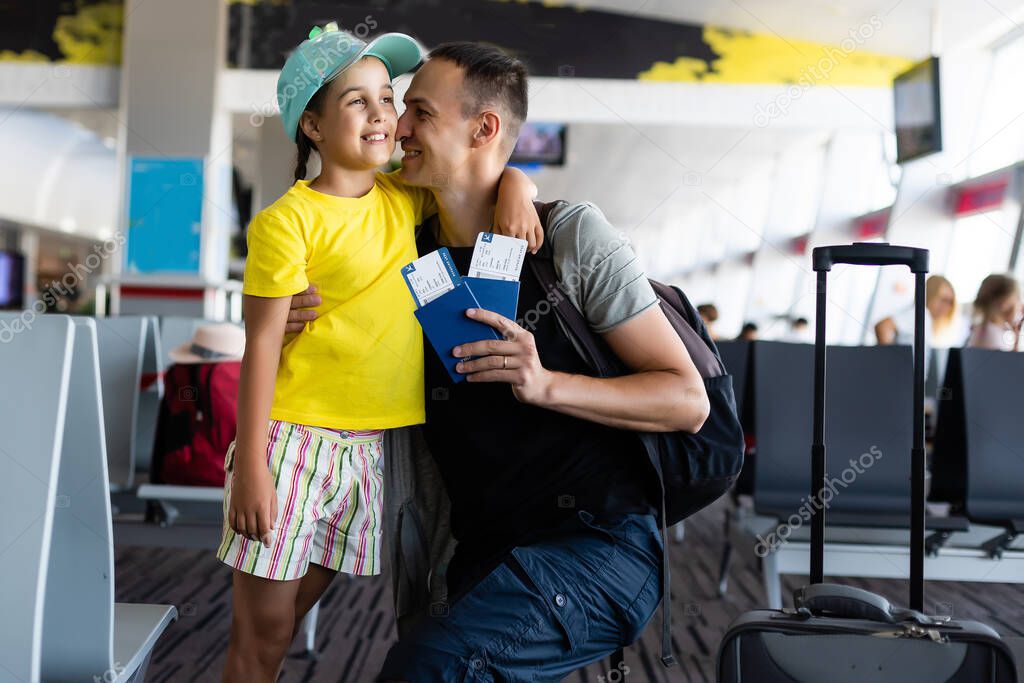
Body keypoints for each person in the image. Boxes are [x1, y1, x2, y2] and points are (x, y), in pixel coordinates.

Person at [287, 42, 710, 681]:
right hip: (474, 551)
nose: (397, 126)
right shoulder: (399, 246)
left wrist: (546, 384)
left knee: (424, 670)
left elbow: (687, 400)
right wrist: (286, 319)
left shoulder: (570, 239)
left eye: (419, 113)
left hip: (596, 544)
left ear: (484, 129)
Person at [217, 26, 541, 683]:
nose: (383, 115)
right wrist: (250, 463)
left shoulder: (408, 197)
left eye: (388, 98)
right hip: (291, 440)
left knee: (285, 617)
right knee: (264, 634)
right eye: (357, 101)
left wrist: (518, 189)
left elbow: (487, 168)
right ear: (312, 125)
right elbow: (259, 346)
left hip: (369, 451)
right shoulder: (288, 220)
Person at [874, 274, 958, 347]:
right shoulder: (922, 315)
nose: (947, 307)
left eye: (950, 302)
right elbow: (882, 326)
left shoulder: (927, 319)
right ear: (930, 294)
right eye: (944, 300)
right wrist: (893, 362)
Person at [966, 273, 1022, 351]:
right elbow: (1001, 362)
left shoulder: (982, 329)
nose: (1020, 306)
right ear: (1005, 303)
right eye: (1018, 299)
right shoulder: (992, 335)